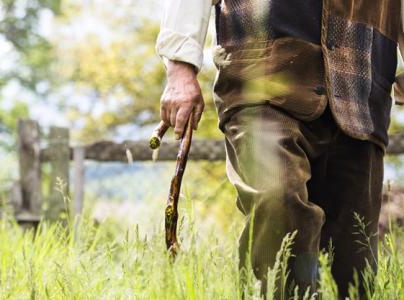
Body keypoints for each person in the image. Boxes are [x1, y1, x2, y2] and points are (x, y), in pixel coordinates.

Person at [156, 0, 404, 297]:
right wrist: (180, 67)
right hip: (262, 75)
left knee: (352, 261)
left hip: (361, 90)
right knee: (276, 200)